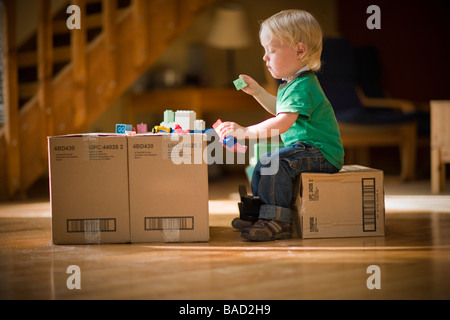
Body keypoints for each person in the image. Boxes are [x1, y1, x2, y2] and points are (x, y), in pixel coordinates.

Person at [215, 9, 344, 241]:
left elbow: (283, 121)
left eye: (271, 51)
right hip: (306, 149)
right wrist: (257, 92)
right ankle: (258, 214)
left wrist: (246, 132)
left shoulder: (303, 85)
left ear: (299, 50)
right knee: (262, 163)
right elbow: (280, 109)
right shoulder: (290, 84)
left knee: (273, 162)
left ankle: (277, 221)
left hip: (321, 152)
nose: (265, 58)